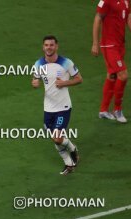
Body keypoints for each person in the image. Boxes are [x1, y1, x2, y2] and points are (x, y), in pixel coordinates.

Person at [32, 35, 82, 175]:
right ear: (43, 47)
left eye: (52, 45)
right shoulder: (38, 64)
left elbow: (79, 79)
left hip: (63, 107)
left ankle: (71, 155)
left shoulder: (66, 63)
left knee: (57, 138)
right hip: (48, 107)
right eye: (46, 45)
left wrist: (64, 83)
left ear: (56, 46)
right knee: (55, 138)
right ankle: (70, 160)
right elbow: (35, 79)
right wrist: (35, 83)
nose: (49, 47)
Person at [92, 0, 131, 123]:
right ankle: (117, 109)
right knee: (123, 75)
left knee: (112, 75)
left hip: (120, 44)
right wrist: (95, 43)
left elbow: (129, 18)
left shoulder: (127, 1)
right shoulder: (106, 1)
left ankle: (103, 111)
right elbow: (97, 19)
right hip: (109, 45)